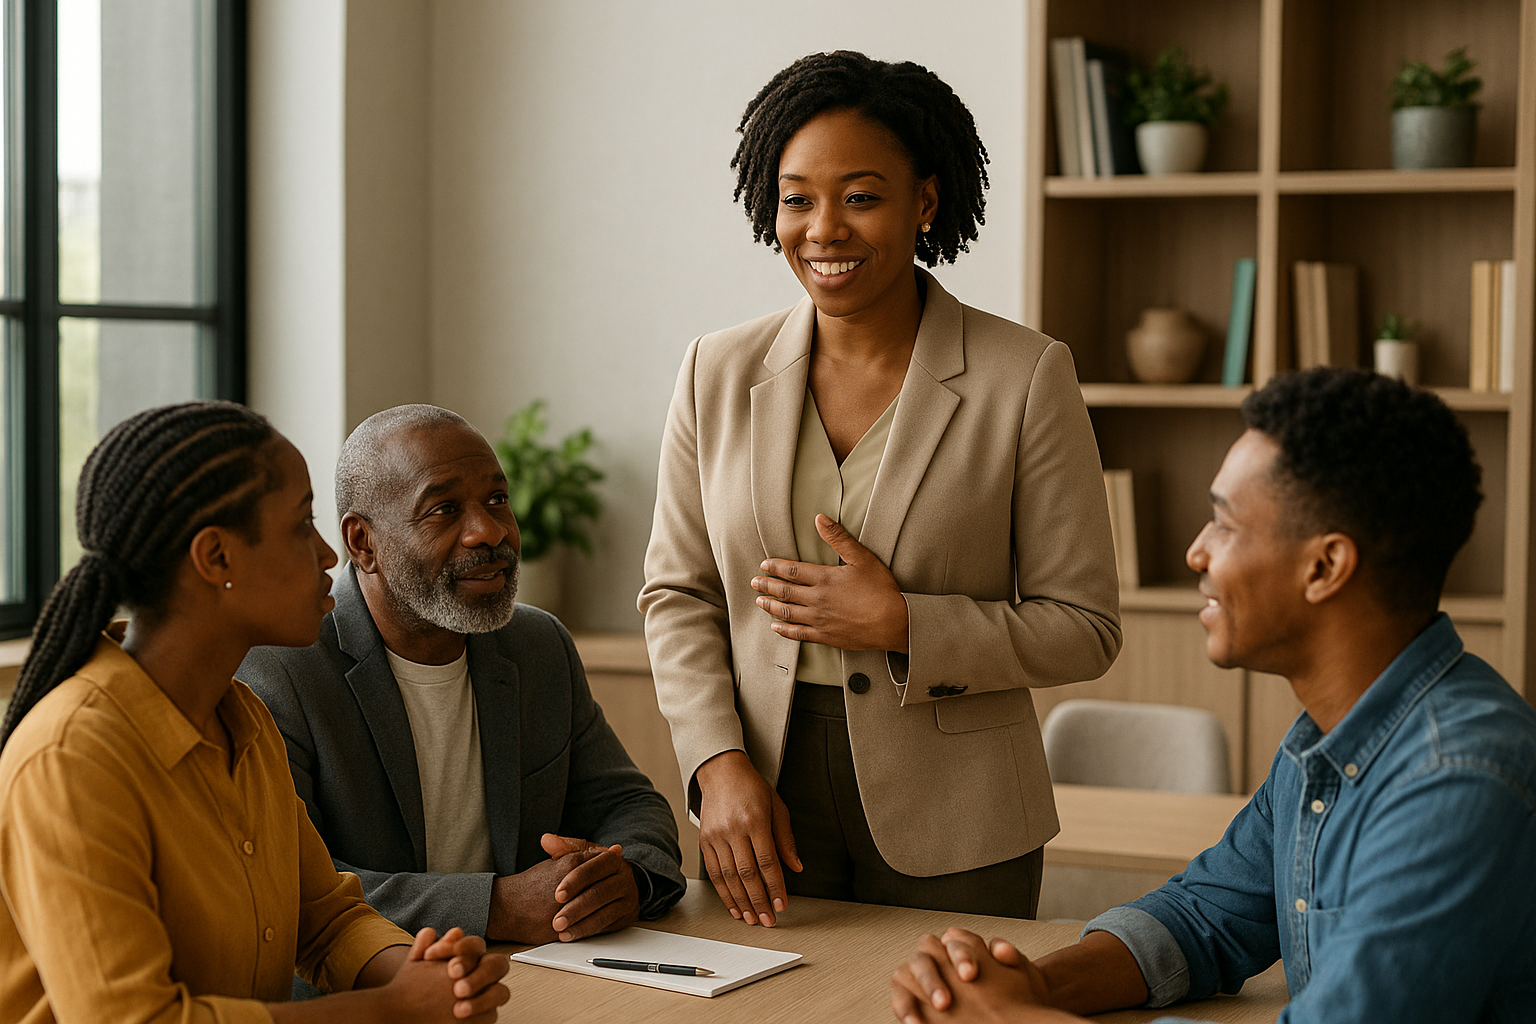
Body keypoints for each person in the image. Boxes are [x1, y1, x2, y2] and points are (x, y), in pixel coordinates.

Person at [639, 50, 1122, 929]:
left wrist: (904, 625)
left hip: (961, 816)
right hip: (765, 800)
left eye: (861, 196)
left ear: (925, 203)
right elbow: (678, 592)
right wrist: (717, 764)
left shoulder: (1026, 377)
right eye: (797, 198)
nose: (824, 229)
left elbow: (1085, 628)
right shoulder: (715, 370)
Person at [891, 368, 1536, 1024]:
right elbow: (1201, 918)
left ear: (1324, 568)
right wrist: (1025, 987)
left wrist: (1010, 1021)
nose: (1196, 552)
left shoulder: (1458, 778)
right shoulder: (1322, 739)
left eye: (1224, 525)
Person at [0, 401, 510, 1023]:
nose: (330, 555)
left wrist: (428, 974)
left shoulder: (242, 718)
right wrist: (388, 1010)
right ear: (216, 559)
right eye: (302, 526)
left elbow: (325, 917)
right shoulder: (72, 759)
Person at [239, 404, 684, 966]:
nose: (489, 531)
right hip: (369, 995)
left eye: (497, 499)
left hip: (538, 974)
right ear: (363, 543)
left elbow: (627, 802)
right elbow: (291, 887)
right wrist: (494, 906)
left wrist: (625, 878)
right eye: (444, 510)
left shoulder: (537, 644)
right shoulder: (283, 668)